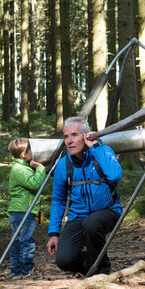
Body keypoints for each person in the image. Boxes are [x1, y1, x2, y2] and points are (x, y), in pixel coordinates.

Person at [46, 116, 123, 277]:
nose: (69, 141)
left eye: (74, 135)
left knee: (92, 223)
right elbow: (59, 200)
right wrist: (54, 233)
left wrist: (95, 147)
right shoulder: (63, 165)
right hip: (77, 217)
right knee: (64, 260)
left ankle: (101, 271)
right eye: (66, 137)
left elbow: (115, 175)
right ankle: (93, 265)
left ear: (86, 136)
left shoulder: (103, 152)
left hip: (109, 211)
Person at [7, 137, 47, 280]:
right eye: (32, 150)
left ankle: (16, 272)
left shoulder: (23, 167)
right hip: (23, 211)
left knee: (18, 241)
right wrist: (41, 169)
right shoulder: (20, 169)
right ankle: (26, 270)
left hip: (21, 210)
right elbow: (35, 184)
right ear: (24, 154)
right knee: (25, 241)